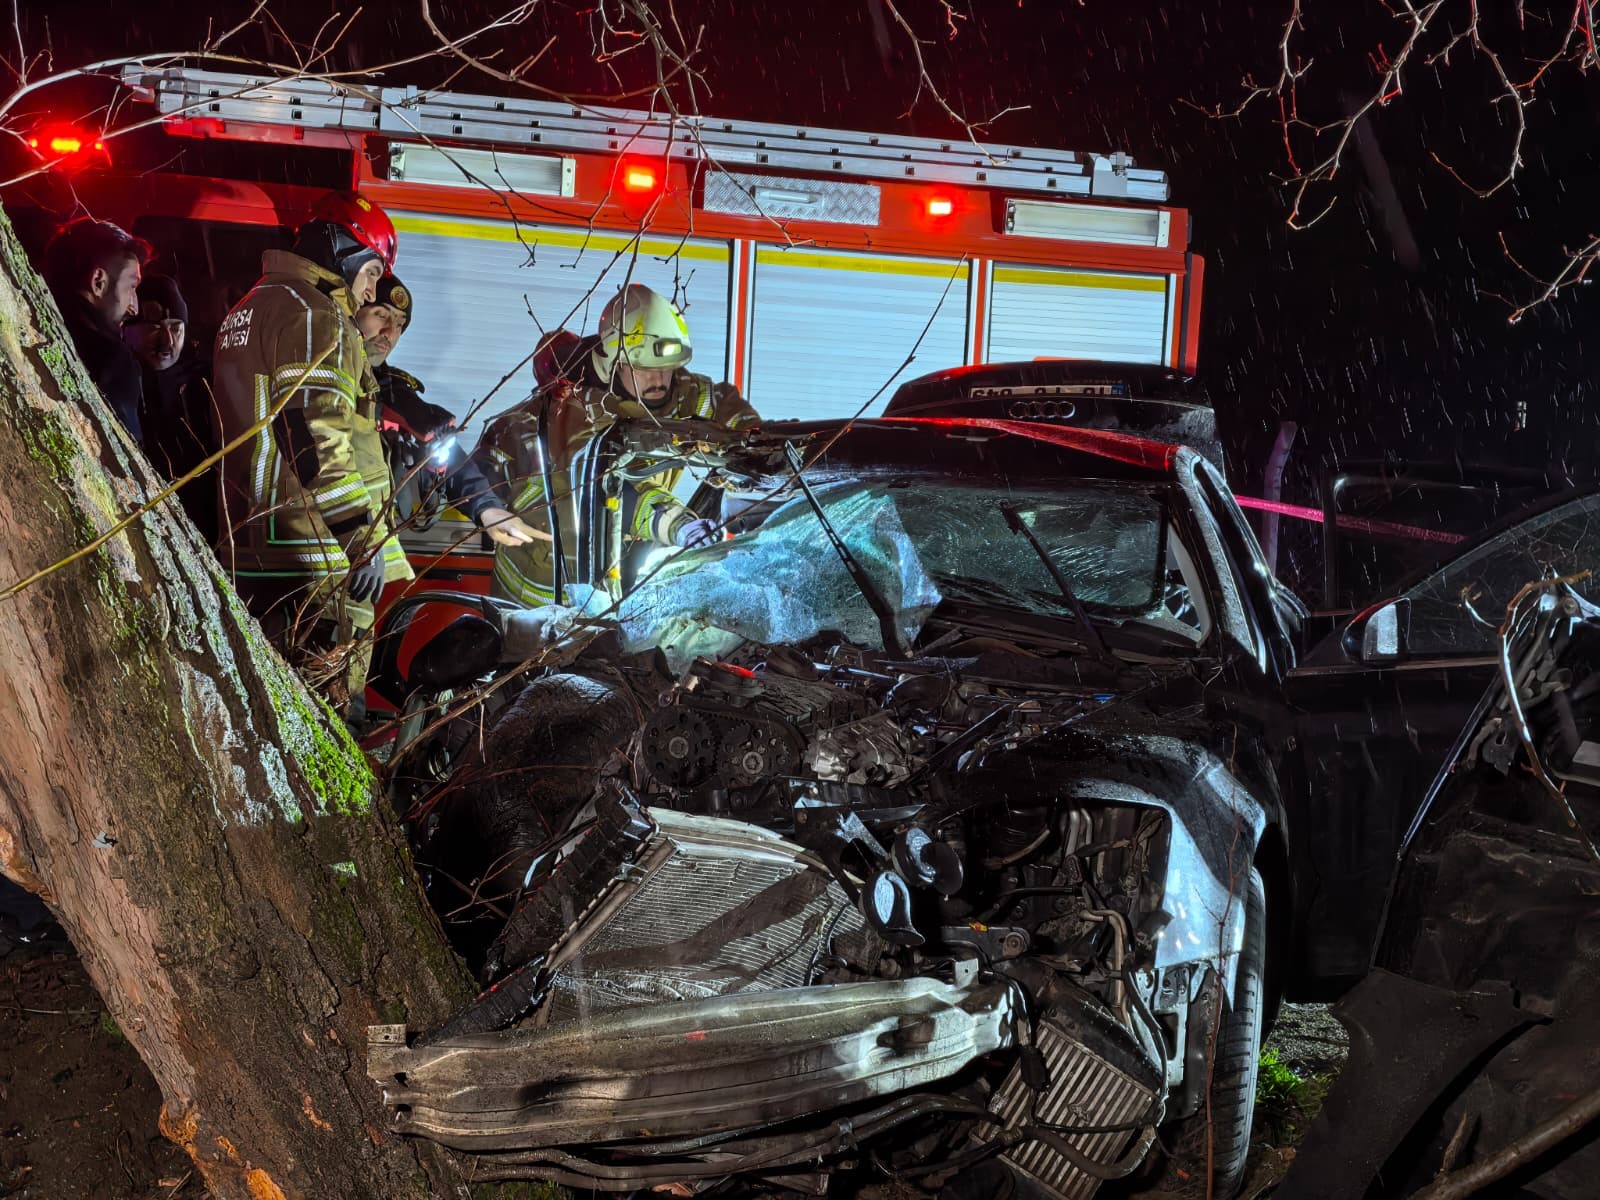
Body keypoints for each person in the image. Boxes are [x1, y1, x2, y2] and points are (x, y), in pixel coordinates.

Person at [210, 190, 409, 713]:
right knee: (328, 715)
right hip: (316, 551)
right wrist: (361, 537)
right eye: (371, 272)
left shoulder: (250, 307)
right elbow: (317, 435)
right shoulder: (315, 313)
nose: (371, 293)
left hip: (252, 541)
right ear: (342, 251)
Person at [474, 284, 759, 606]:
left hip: (616, 581)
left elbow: (736, 419)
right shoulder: (571, 413)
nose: (659, 380)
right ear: (612, 362)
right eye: (644, 369)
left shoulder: (683, 393)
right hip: (539, 595)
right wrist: (678, 525)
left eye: (666, 368)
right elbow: (612, 485)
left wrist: (768, 448)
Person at [352, 274, 539, 548]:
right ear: (353, 310)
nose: (390, 333)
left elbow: (446, 454)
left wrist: (487, 508)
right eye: (381, 315)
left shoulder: (393, 391)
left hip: (366, 545)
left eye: (400, 324)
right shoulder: (321, 376)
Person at [123, 275, 218, 542]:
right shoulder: (119, 385)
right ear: (127, 330)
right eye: (154, 327)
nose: (167, 341)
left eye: (176, 327)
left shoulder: (206, 381)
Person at [41, 217, 151, 442]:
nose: (134, 307)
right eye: (131, 287)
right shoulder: (113, 360)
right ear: (98, 282)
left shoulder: (32, 329)